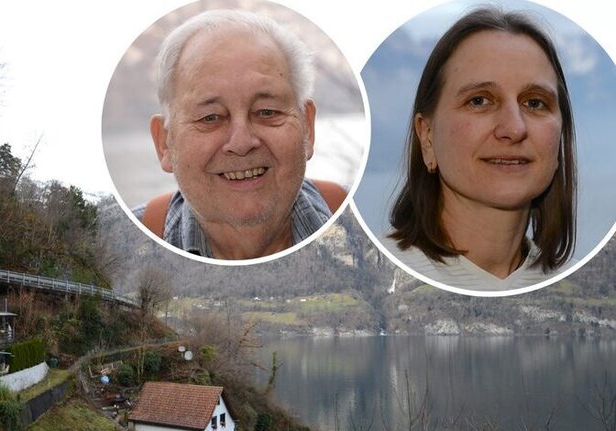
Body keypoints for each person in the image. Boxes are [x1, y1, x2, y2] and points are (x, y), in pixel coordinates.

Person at [386, 8, 576, 292]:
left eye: (534, 103)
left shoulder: (576, 286)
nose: (514, 128)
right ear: (426, 135)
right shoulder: (386, 268)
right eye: (479, 101)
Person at [136, 9, 346, 260]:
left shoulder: (363, 225)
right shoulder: (116, 242)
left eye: (267, 112)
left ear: (307, 128)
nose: (242, 143)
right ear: (164, 144)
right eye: (210, 117)